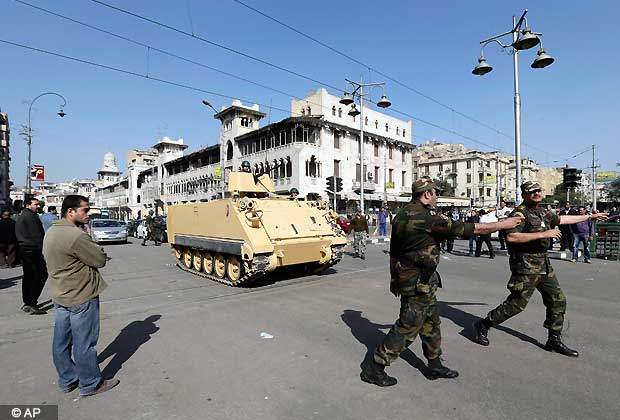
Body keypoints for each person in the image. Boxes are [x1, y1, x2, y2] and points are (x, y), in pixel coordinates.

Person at [360, 177, 522, 387]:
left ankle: (434, 364)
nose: (438, 196)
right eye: (436, 192)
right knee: (408, 324)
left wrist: (393, 277)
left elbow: (395, 252)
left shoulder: (400, 215)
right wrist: (504, 224)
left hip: (418, 279)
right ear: (427, 194)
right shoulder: (427, 218)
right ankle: (375, 367)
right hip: (417, 280)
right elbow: (469, 229)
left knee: (431, 323)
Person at [472, 182, 608, 358]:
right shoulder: (520, 213)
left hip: (544, 266)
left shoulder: (543, 211)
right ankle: (483, 325)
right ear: (525, 195)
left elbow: (562, 220)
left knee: (558, 300)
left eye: (538, 190)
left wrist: (589, 217)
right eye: (532, 191)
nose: (536, 193)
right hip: (526, 267)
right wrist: (544, 234)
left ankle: (554, 339)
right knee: (516, 304)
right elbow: (512, 236)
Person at [43, 195, 119, 397]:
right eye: (84, 210)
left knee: (61, 343)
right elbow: (99, 259)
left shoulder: (52, 231)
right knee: (85, 344)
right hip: (81, 296)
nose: (88, 214)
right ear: (70, 211)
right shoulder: (75, 235)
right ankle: (91, 383)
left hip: (61, 295)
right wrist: (90, 240)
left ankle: (68, 379)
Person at [15, 197, 47, 315]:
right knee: (40, 275)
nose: (38, 206)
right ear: (28, 205)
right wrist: (43, 250)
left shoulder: (24, 215)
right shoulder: (31, 217)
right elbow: (37, 236)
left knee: (29, 277)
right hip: (33, 250)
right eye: (35, 204)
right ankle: (31, 302)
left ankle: (27, 302)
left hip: (25, 250)